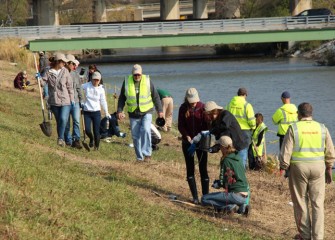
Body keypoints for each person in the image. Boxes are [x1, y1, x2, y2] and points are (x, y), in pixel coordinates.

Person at [279, 102, 335, 240]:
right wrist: (329, 168)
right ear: (311, 113)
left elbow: (286, 151)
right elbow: (330, 150)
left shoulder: (294, 128)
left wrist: (283, 167)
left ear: (299, 114)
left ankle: (304, 235)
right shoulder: (322, 128)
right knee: (317, 203)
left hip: (299, 168)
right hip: (318, 168)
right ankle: (318, 237)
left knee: (301, 201)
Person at [116, 64, 163, 162]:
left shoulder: (147, 81)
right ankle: (139, 158)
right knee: (135, 136)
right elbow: (122, 98)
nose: (137, 76)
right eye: (135, 75)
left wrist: (160, 111)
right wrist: (120, 111)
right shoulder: (127, 82)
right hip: (134, 113)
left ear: (141, 74)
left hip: (147, 111)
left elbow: (156, 97)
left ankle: (147, 154)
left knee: (145, 129)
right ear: (132, 74)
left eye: (138, 75)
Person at [201, 136, 250, 216]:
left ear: (223, 147)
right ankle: (241, 208)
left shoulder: (226, 160)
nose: (219, 149)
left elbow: (228, 182)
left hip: (235, 194)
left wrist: (219, 184)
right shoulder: (238, 157)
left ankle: (230, 207)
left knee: (204, 199)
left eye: (219, 146)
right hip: (245, 195)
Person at [178, 88, 209, 204]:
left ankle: (205, 197)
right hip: (188, 142)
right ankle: (195, 197)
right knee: (190, 168)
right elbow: (181, 125)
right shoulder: (182, 108)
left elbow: (207, 126)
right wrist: (186, 136)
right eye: (191, 101)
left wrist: (201, 136)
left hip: (201, 142)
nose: (193, 103)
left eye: (194, 101)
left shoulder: (202, 107)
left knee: (203, 169)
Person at [41, 53, 74, 147]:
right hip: (54, 101)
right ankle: (61, 139)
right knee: (59, 121)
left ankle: (60, 138)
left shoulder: (65, 71)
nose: (64, 63)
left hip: (65, 100)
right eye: (63, 62)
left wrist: (72, 99)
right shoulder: (48, 71)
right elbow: (43, 83)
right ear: (58, 62)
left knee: (64, 119)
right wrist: (39, 79)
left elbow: (70, 86)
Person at [226, 87, 256, 169]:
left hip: (232, 130)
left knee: (233, 150)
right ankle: (241, 170)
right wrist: (253, 127)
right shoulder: (247, 105)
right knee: (243, 151)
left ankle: (233, 168)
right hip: (244, 130)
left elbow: (225, 115)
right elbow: (251, 120)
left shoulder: (230, 104)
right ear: (245, 95)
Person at [82, 71, 110, 150]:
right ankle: (91, 138)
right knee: (87, 130)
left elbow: (103, 101)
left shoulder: (101, 89)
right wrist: (81, 102)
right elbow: (78, 89)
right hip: (87, 111)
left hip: (96, 112)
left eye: (97, 80)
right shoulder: (86, 86)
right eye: (94, 79)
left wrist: (106, 112)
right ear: (91, 79)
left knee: (96, 131)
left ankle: (96, 147)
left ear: (100, 80)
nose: (95, 81)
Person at [64, 54, 83, 149]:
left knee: (76, 121)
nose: (73, 65)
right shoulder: (62, 73)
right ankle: (68, 140)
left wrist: (81, 100)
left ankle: (76, 139)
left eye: (73, 63)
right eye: (71, 63)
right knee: (67, 122)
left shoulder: (75, 75)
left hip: (75, 102)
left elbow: (79, 88)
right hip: (65, 102)